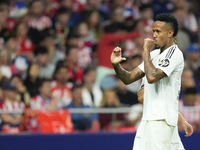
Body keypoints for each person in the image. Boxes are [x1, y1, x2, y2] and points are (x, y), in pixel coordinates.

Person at [110, 13, 189, 149]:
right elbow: (128, 78)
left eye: (158, 31)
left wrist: (145, 50)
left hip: (161, 121)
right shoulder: (153, 55)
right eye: (153, 31)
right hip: (149, 120)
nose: (154, 35)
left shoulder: (174, 53)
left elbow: (152, 77)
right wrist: (116, 65)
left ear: (170, 33)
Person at [136, 78, 193, 150]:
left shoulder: (173, 77)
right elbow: (141, 98)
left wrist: (182, 121)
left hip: (169, 127)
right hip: (153, 125)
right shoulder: (149, 75)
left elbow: (167, 106)